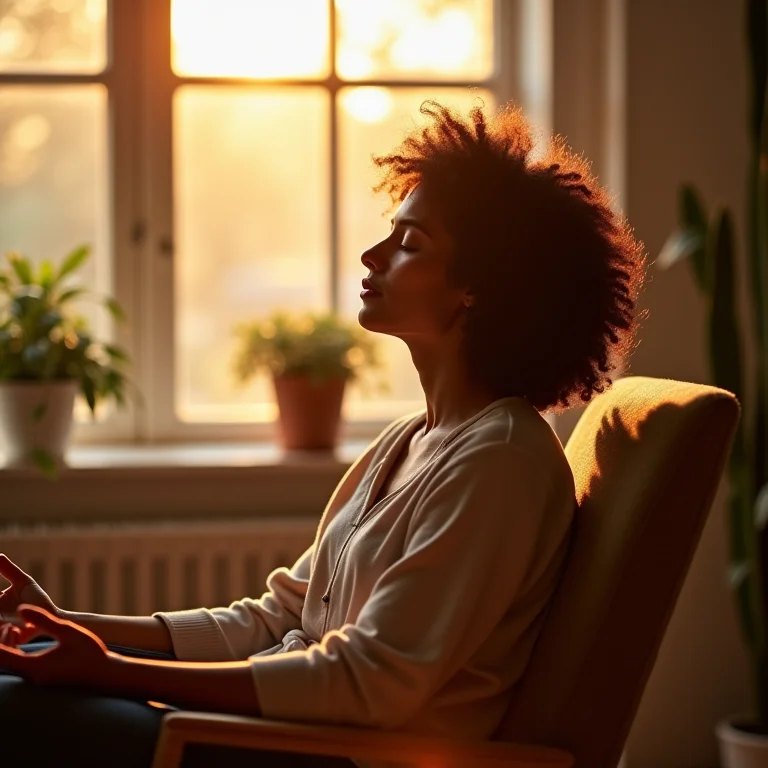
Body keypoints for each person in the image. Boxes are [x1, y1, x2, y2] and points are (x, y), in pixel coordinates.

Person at [0, 100, 646, 767]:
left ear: (476, 289)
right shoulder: (409, 440)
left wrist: (111, 672)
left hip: (331, 756)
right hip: (275, 738)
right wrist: (72, 628)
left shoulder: (500, 463)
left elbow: (368, 684)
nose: (372, 255)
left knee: (14, 709)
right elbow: (277, 620)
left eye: (410, 244)